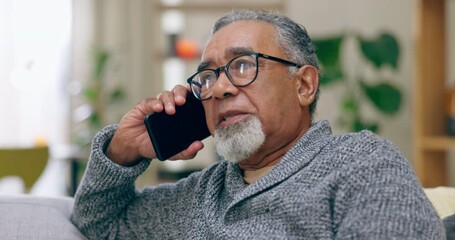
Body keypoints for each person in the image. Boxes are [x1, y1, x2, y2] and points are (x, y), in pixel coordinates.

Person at [71, 9, 445, 239]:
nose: (218, 88)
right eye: (206, 76)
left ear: (303, 84)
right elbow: (100, 223)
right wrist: (121, 150)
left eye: (243, 65)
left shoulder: (362, 163)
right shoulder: (199, 194)